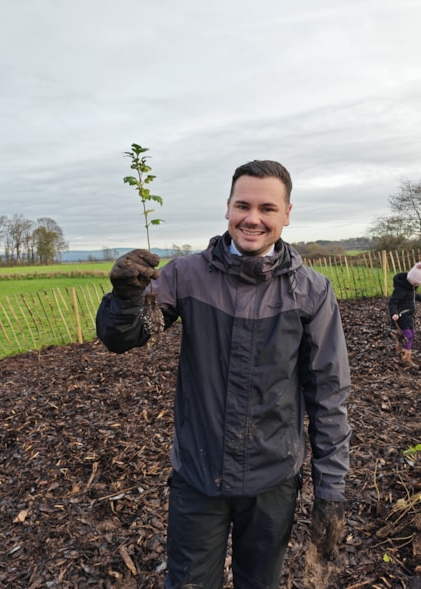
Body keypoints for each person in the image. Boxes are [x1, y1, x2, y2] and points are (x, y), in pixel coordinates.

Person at [96, 160, 351, 589]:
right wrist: (125, 298)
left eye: (267, 208)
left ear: (287, 214)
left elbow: (328, 393)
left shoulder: (311, 291)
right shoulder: (186, 275)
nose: (253, 218)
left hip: (273, 480)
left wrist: (331, 488)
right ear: (227, 208)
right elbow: (123, 339)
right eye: (243, 205)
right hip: (198, 474)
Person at [388, 262, 421, 369]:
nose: (416, 286)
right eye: (416, 283)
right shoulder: (400, 289)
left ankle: (399, 349)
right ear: (411, 280)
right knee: (409, 336)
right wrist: (394, 313)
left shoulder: (410, 288)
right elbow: (392, 302)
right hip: (401, 317)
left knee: (411, 333)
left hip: (409, 315)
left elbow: (413, 296)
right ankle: (406, 358)